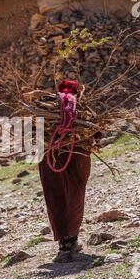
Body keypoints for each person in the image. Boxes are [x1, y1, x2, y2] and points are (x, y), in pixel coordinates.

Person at [39, 80, 91, 263]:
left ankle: (64, 244)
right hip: (78, 151)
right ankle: (72, 239)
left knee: (55, 195)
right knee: (76, 193)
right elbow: (96, 133)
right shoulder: (85, 110)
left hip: (49, 153)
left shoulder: (43, 109)